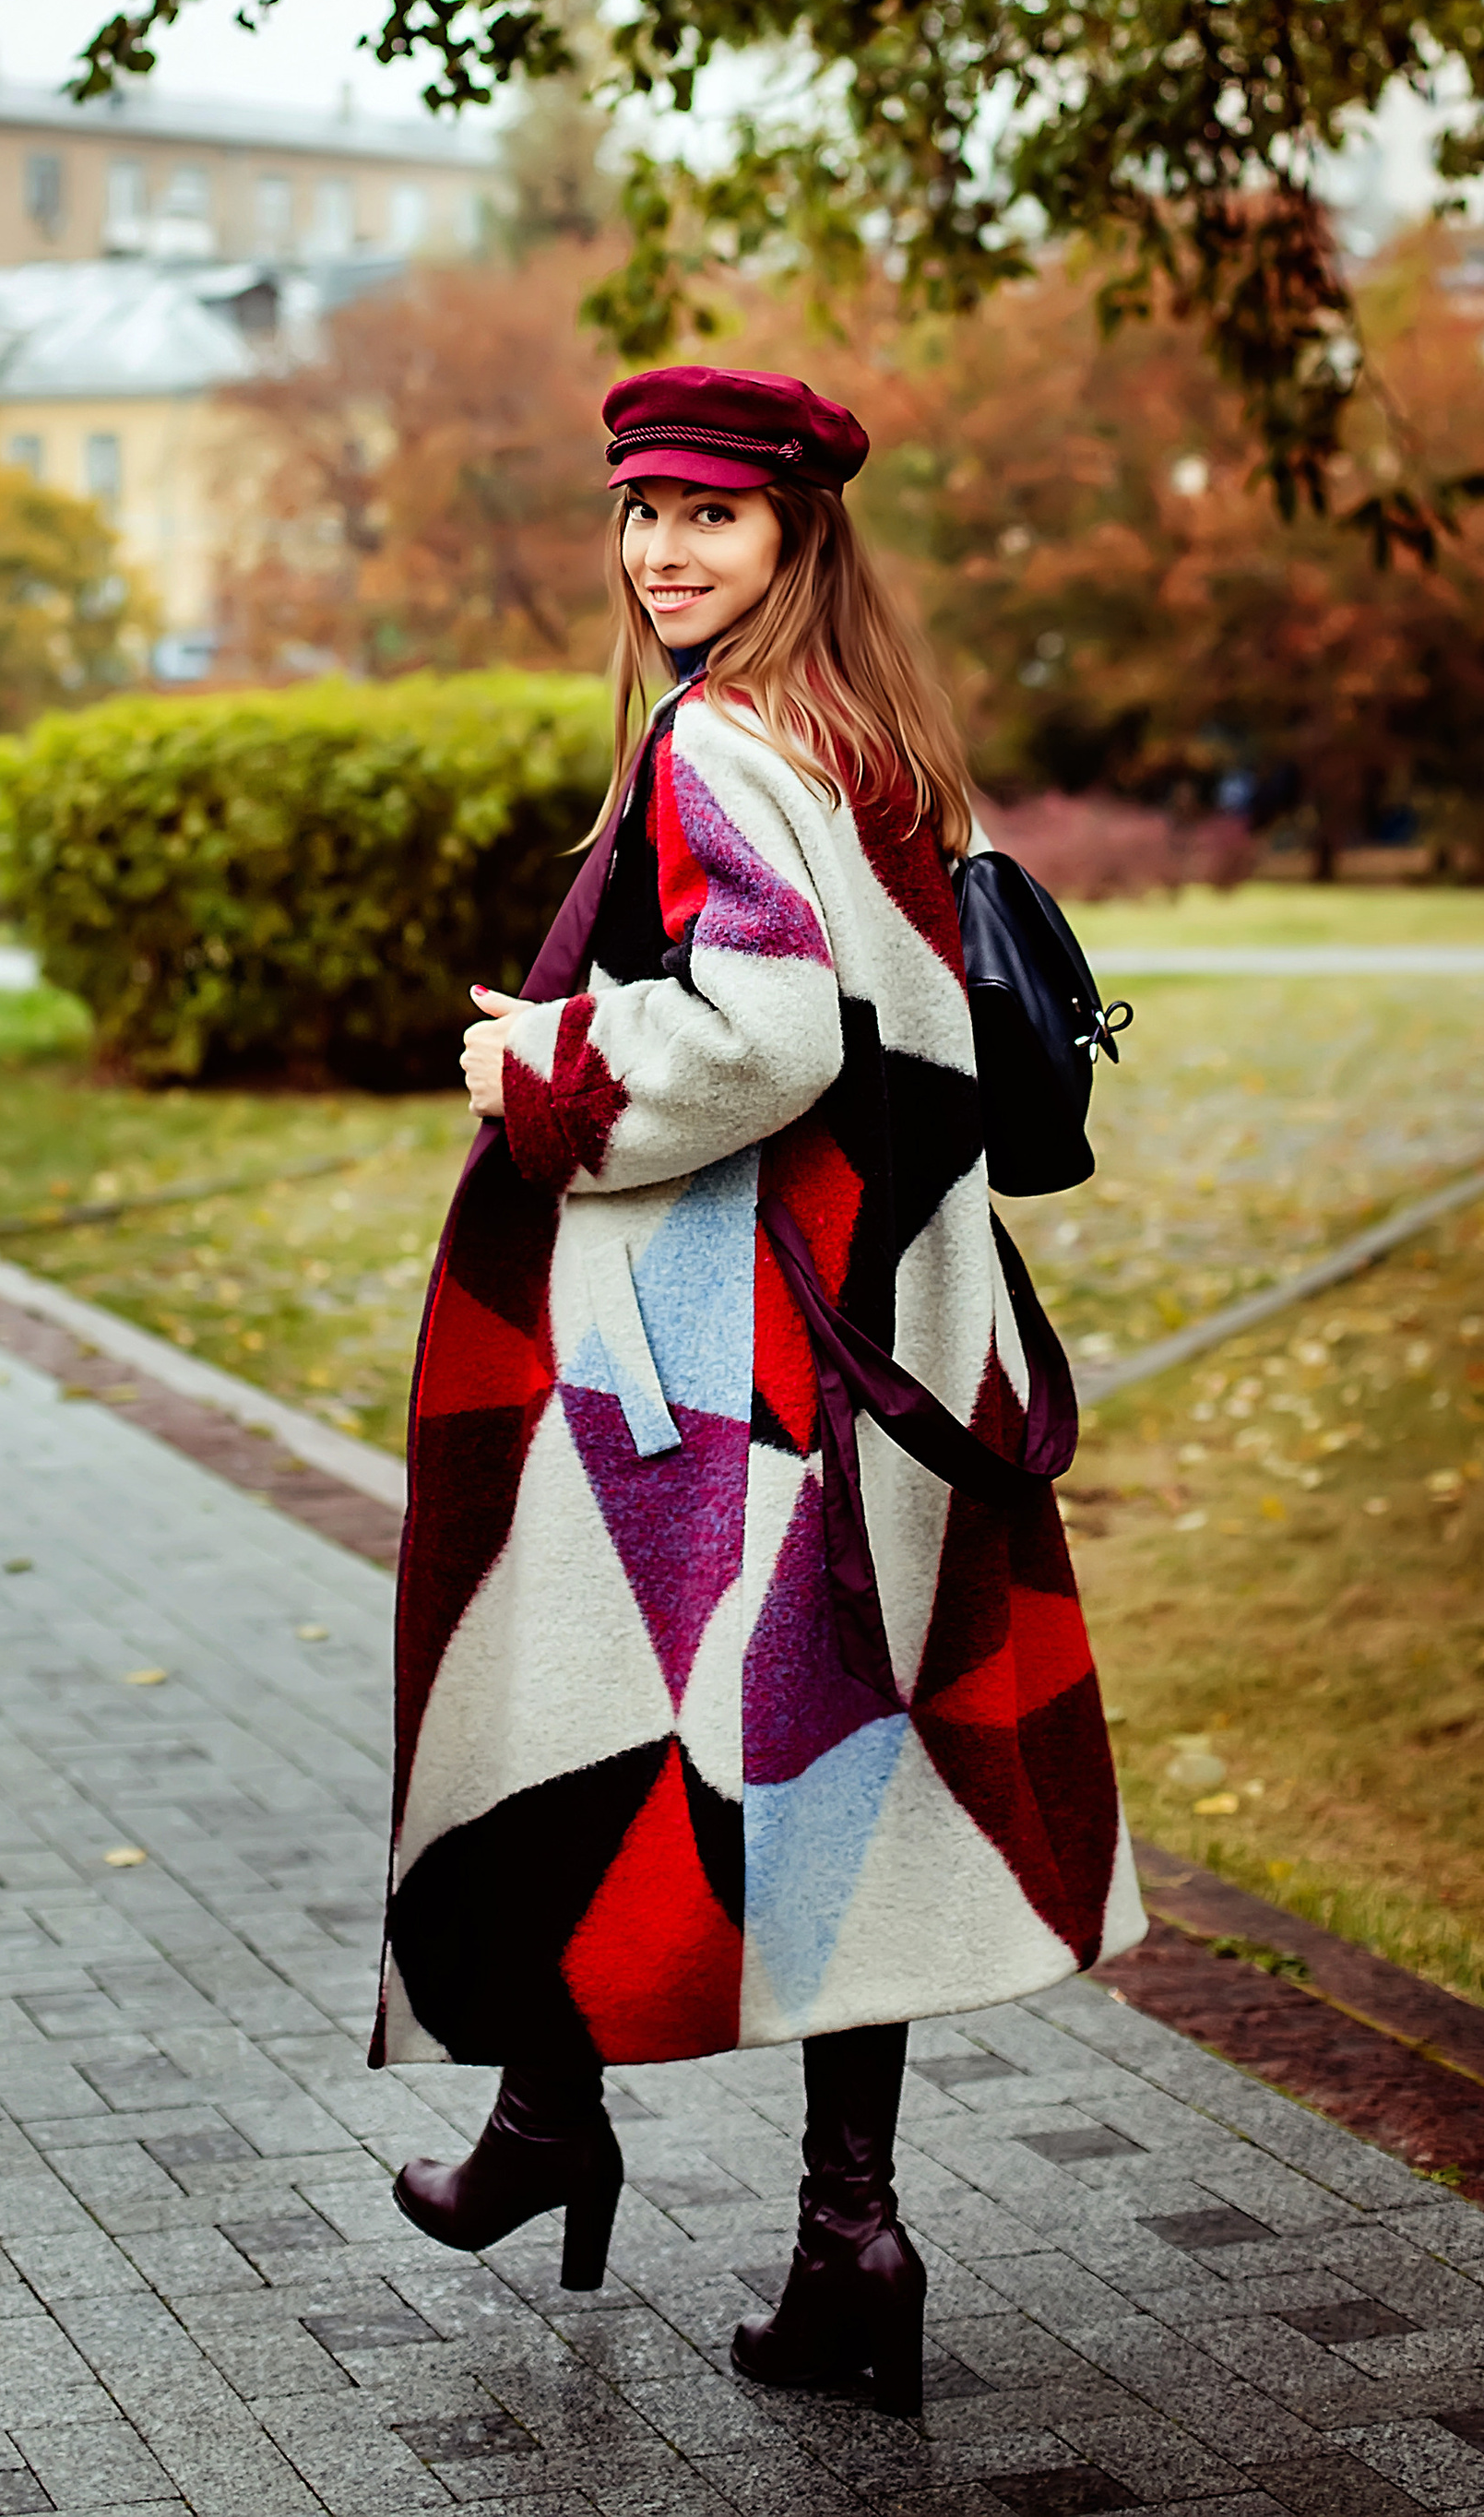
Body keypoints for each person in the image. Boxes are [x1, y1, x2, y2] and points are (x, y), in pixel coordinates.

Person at [373, 362, 1143, 2416]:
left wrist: (532, 1069)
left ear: (794, 537)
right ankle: (833, 2235)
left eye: (708, 519)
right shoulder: (872, 741)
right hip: (886, 1330)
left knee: (611, 1719)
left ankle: (584, 2133)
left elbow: (769, 1035)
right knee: (810, 1778)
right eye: (641, 516)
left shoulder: (722, 737)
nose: (661, 553)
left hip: (732, 1360)